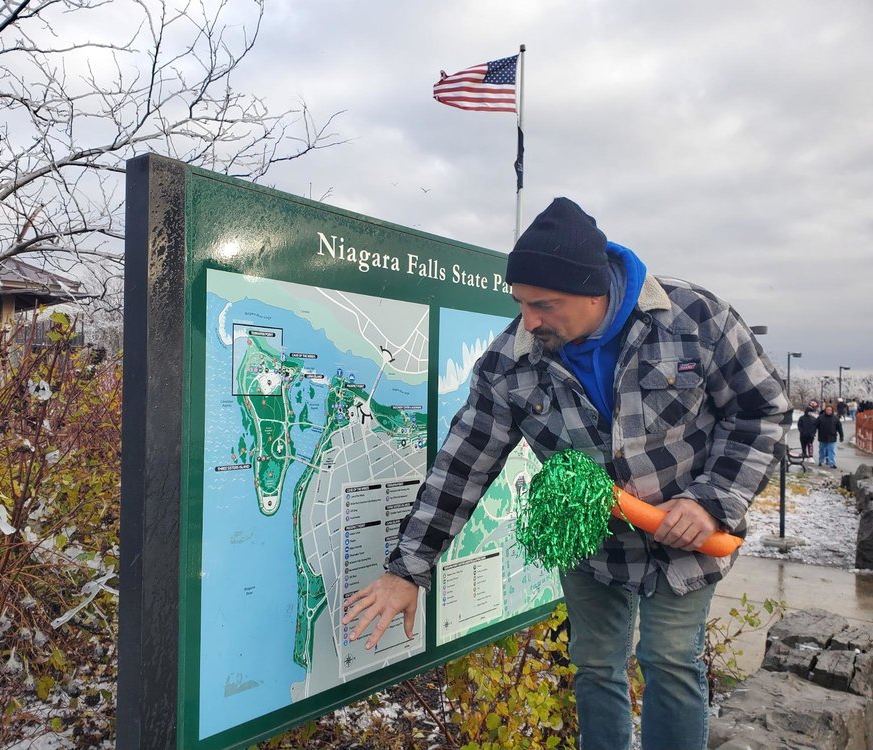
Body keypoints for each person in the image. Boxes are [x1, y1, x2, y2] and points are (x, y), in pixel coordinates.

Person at [342, 197, 790, 750]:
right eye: (520, 303)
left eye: (543, 305)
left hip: (690, 534)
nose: (528, 321)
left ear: (594, 293)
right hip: (590, 542)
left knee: (669, 659)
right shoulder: (510, 362)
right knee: (595, 665)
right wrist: (407, 569)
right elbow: (462, 464)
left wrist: (712, 500)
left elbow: (762, 411)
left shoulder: (696, 318)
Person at [816, 404, 844, 468]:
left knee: (831, 450)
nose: (828, 411)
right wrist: (812, 433)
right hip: (822, 436)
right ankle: (821, 461)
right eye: (827, 410)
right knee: (822, 449)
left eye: (830, 410)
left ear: (832, 411)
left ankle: (832, 463)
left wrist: (841, 436)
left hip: (832, 437)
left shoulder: (835, 418)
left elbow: (839, 428)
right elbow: (815, 425)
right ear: (825, 410)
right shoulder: (820, 417)